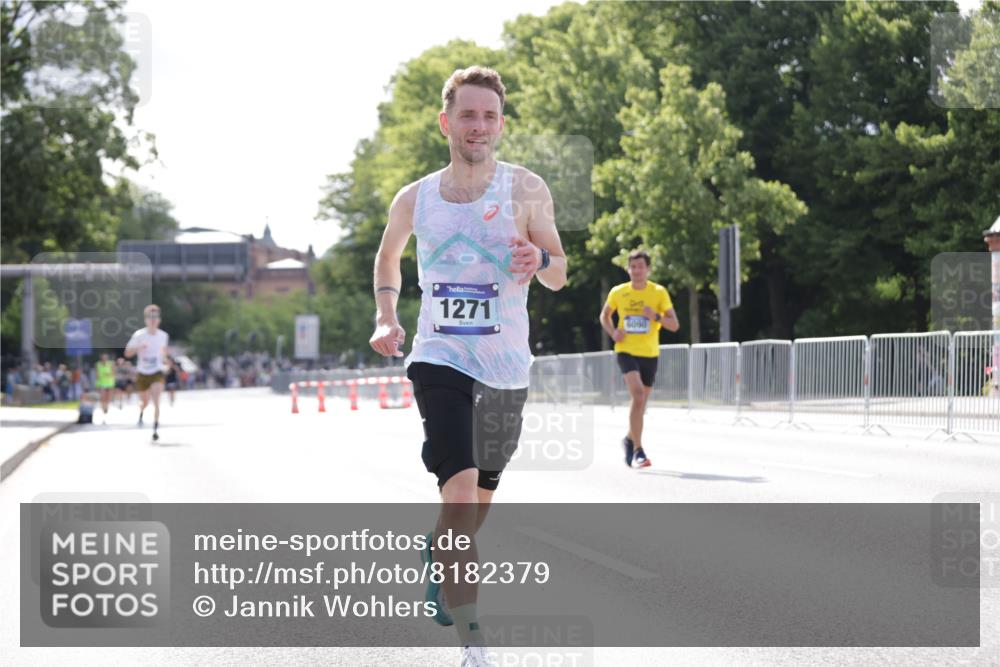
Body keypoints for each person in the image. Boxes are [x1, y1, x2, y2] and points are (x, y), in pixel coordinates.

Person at [369, 65, 566, 667]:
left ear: (500, 124)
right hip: (440, 357)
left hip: (506, 366)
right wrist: (386, 316)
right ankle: (473, 642)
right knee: (457, 495)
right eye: (467, 114)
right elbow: (387, 260)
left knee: (476, 505)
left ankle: (439, 553)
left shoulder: (526, 189)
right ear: (445, 122)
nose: (477, 125)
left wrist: (540, 257)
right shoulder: (416, 197)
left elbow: (559, 271)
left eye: (488, 116)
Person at [599, 250, 680, 468]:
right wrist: (613, 331)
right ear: (628, 269)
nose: (636, 271)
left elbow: (674, 325)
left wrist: (654, 316)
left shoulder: (658, 292)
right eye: (633, 267)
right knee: (637, 395)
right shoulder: (619, 292)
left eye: (640, 266)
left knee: (641, 402)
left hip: (650, 353)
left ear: (648, 269)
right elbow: (604, 315)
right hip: (626, 350)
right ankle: (639, 450)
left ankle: (628, 438)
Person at [124, 304, 170, 441]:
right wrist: (139, 347)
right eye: (150, 317)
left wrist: (166, 361)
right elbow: (127, 353)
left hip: (157, 371)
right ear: (145, 319)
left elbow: (163, 354)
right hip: (142, 372)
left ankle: (155, 428)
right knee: (145, 401)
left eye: (155, 317)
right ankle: (142, 411)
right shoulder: (139, 335)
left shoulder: (163, 336)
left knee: (156, 400)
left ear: (159, 319)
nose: (153, 320)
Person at [95, 354, 116, 423]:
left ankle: (106, 407)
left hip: (109, 383)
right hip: (102, 383)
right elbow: (97, 374)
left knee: (108, 398)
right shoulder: (98, 364)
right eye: (103, 358)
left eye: (105, 358)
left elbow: (113, 373)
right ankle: (103, 408)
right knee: (102, 397)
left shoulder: (111, 364)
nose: (104, 359)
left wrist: (109, 375)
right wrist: (97, 384)